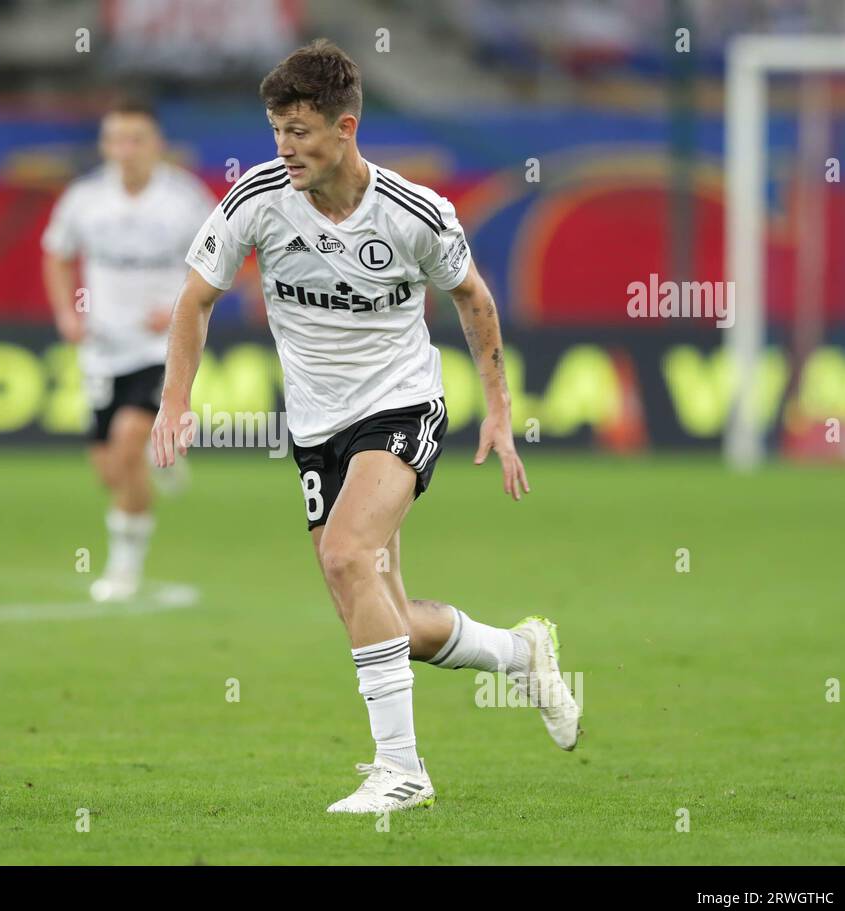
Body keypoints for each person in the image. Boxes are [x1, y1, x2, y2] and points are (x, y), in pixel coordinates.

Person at [151, 40, 581, 813]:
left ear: (346, 128)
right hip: (316, 429)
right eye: (278, 130)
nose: (285, 148)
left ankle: (403, 770)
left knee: (349, 553)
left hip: (403, 406)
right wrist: (174, 402)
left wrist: (502, 414)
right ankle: (520, 653)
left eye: (302, 131)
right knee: (377, 613)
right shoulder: (255, 201)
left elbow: (475, 300)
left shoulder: (416, 214)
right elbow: (195, 300)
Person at [42, 100, 214, 602]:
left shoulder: (185, 199)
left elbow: (223, 259)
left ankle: (123, 569)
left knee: (127, 439)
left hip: (161, 346)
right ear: (105, 145)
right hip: (102, 347)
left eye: (137, 138)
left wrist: (183, 303)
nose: (126, 149)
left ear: (156, 144)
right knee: (110, 471)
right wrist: (66, 314)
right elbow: (56, 253)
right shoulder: (85, 198)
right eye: (117, 139)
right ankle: (161, 459)